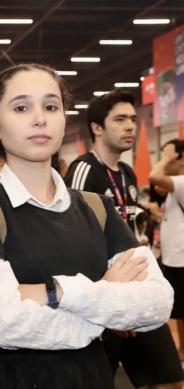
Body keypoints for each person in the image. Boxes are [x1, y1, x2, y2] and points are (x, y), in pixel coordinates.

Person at [0, 63, 174, 388]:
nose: (39, 118)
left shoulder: (97, 208)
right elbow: (1, 323)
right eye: (21, 107)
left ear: (63, 120)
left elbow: (157, 303)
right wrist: (104, 297)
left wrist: (58, 291)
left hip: (94, 377)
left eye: (50, 106)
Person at [65, 90, 183, 388]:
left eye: (132, 119)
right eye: (120, 119)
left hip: (137, 292)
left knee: (170, 381)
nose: (130, 126)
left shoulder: (127, 173)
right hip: (104, 298)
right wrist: (110, 303)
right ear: (97, 128)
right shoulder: (83, 170)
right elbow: (71, 238)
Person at [150, 139, 184, 360]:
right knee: (180, 312)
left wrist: (168, 158)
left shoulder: (182, 181)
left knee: (182, 311)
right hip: (174, 257)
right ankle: (182, 351)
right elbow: (157, 186)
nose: (162, 162)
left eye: (168, 157)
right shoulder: (175, 187)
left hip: (181, 259)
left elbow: (153, 177)